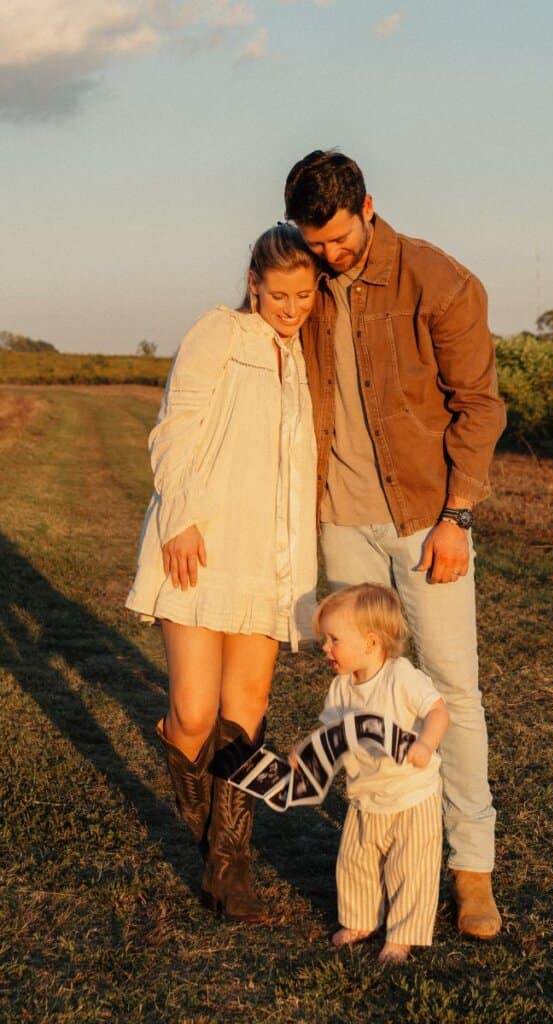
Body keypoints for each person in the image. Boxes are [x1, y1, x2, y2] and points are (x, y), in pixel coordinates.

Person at [284, 151, 507, 940]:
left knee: (448, 690)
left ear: (368, 207)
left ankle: (469, 872)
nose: (329, 258)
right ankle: (379, 853)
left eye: (340, 243)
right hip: (340, 519)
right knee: (359, 691)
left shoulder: (437, 280)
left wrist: (459, 516)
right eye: (316, 245)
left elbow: (478, 407)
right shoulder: (300, 272)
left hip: (424, 520)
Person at [125, 224, 320, 922]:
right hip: (202, 540)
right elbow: (174, 426)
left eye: (304, 294)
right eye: (279, 294)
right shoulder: (218, 334)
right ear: (252, 284)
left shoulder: (305, 358)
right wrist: (180, 516)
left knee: (247, 713)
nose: (292, 307)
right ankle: (214, 837)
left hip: (271, 554)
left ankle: (228, 872)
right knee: (192, 714)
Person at [292, 584, 449, 963]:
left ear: (371, 642)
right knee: (356, 860)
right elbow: (332, 733)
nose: (325, 648)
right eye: (324, 640)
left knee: (410, 868)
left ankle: (402, 936)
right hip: (366, 794)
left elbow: (438, 711)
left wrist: (425, 744)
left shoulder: (401, 677)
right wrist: (308, 750)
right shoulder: (342, 688)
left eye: (333, 640)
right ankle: (361, 920)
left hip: (412, 793)